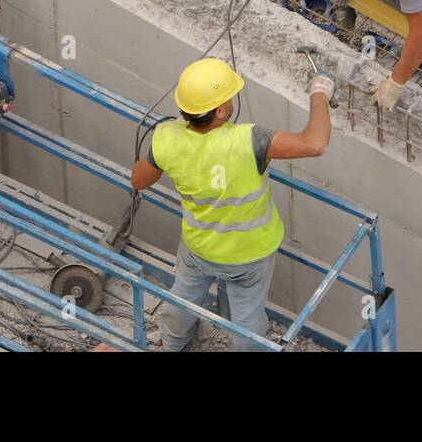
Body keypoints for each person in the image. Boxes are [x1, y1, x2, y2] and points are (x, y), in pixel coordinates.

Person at [130, 57, 335, 351]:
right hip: (250, 254)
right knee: (247, 320)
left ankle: (172, 345)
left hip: (200, 247)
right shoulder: (250, 140)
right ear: (222, 111)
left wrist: (169, 146)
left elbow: (138, 181)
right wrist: (320, 91)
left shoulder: (167, 139)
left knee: (183, 299)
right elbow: (315, 143)